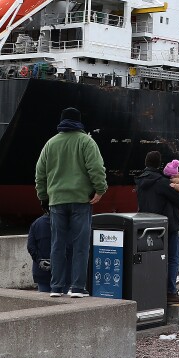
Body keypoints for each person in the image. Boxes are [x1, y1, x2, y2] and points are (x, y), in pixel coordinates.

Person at [35, 107, 107, 298]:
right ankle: (77, 288)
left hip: (56, 201)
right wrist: (100, 189)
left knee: (57, 245)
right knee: (80, 245)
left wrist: (43, 196)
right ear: (79, 122)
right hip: (81, 200)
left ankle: (56, 287)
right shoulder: (86, 141)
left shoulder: (50, 144)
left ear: (62, 121)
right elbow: (96, 168)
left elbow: (40, 173)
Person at [135, 153, 179, 303]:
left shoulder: (139, 181)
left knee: (151, 260)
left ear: (146, 162)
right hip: (167, 226)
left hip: (147, 226)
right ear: (159, 164)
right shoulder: (162, 182)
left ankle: (152, 289)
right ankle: (170, 291)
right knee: (172, 259)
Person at [26, 211, 53, 292]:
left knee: (43, 296)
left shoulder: (36, 223)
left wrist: (40, 260)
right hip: (61, 272)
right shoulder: (64, 223)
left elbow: (30, 246)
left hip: (41, 270)